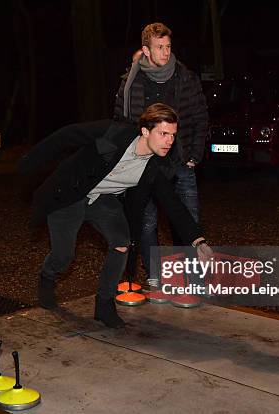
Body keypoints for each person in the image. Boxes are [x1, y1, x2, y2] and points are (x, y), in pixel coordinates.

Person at [19, 103, 213, 328]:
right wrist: (30, 161)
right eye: (163, 133)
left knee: (122, 243)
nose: (169, 141)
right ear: (145, 131)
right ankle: (47, 276)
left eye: (172, 135)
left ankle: (104, 305)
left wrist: (197, 240)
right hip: (72, 195)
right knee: (63, 256)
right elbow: (68, 135)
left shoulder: (156, 166)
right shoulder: (115, 133)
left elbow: (173, 204)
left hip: (104, 199)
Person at [113, 23, 209, 290]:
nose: (166, 53)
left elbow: (200, 116)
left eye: (168, 47)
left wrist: (193, 154)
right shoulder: (131, 82)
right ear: (146, 50)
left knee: (186, 218)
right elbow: (121, 123)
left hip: (180, 161)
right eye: (159, 47)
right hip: (146, 165)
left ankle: (194, 279)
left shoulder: (185, 77)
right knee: (147, 221)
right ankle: (154, 274)